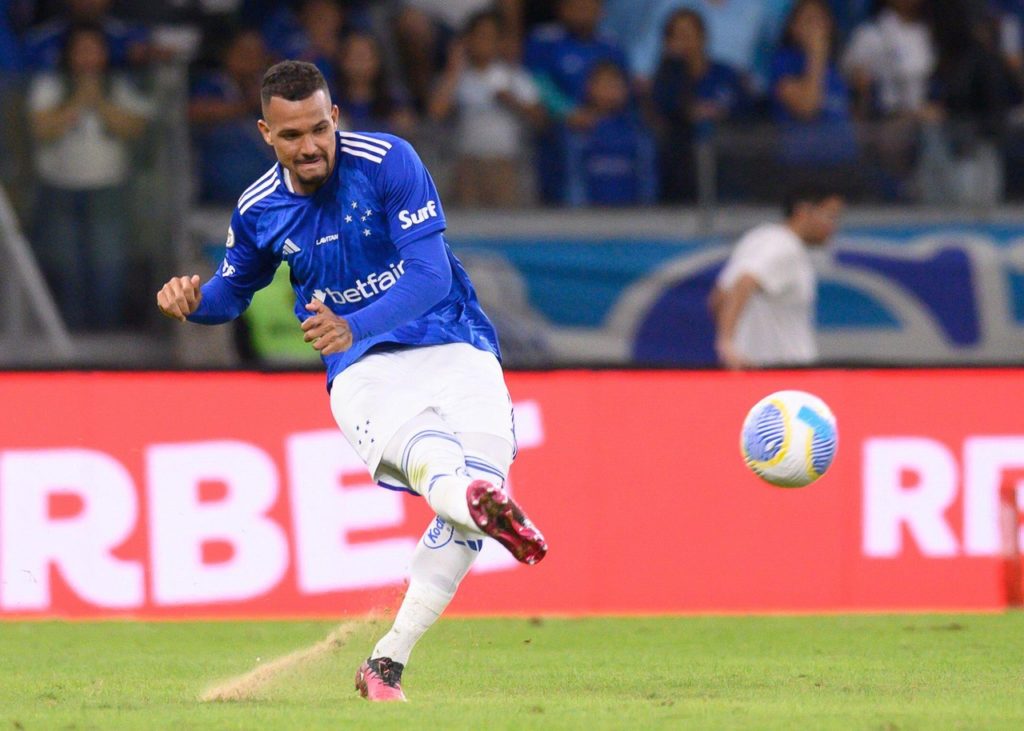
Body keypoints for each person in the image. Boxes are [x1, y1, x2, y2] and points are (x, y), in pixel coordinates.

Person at [155, 60, 547, 702]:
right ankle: (475, 499)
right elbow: (233, 291)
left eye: (318, 129)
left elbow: (430, 277)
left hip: (453, 341)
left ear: (334, 117)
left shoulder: (390, 160)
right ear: (265, 134)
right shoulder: (259, 211)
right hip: (364, 371)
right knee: (442, 469)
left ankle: (385, 664)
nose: (309, 146)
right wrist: (192, 302)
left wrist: (353, 324)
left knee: (471, 497)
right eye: (291, 136)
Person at [29, 21, 151, 330]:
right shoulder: (50, 84)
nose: (87, 57)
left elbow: (135, 129)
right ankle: (70, 342)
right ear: (68, 54)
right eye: (80, 50)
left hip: (108, 190)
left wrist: (98, 101)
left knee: (108, 267)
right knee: (66, 269)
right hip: (59, 189)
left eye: (93, 49)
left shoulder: (120, 84)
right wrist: (77, 102)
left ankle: (106, 337)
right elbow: (42, 130)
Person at [708, 186, 843, 369]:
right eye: (830, 216)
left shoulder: (759, 237)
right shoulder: (785, 248)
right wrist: (727, 343)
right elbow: (745, 282)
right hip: (783, 371)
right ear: (803, 211)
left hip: (755, 370)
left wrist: (734, 343)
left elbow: (719, 298)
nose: (833, 226)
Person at [428, 10, 545, 207]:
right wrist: (454, 70)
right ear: (468, 40)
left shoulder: (514, 76)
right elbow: (436, 113)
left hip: (505, 164)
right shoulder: (456, 77)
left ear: (500, 41)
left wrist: (512, 101)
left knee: (508, 227)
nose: (485, 42)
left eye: (491, 37)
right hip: (466, 164)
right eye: (480, 36)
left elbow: (541, 119)